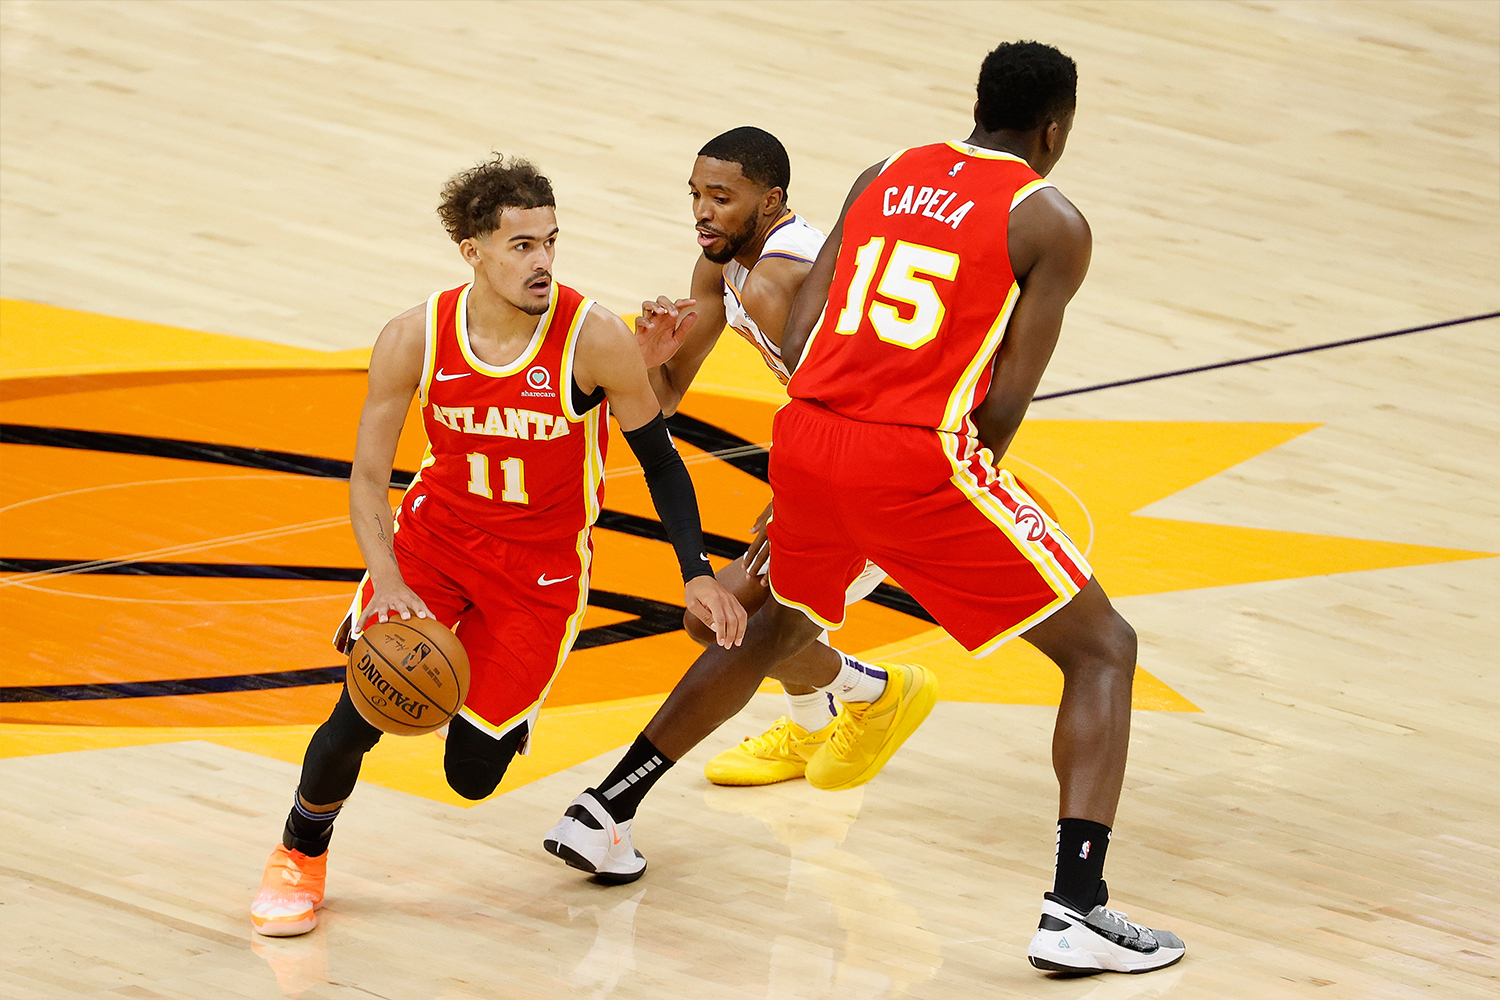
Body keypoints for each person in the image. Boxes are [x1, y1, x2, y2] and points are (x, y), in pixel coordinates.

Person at [546, 42, 1186, 976]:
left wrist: (825, 477)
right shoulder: (1051, 220)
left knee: (767, 627)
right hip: (915, 460)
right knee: (1103, 649)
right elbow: (1006, 398)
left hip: (809, 438)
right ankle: (1077, 908)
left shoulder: (882, 173)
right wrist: (938, 503)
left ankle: (605, 809)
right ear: (1056, 129)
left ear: (977, 104)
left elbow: (803, 335)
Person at [249, 155, 746, 937]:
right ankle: (297, 856)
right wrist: (385, 582)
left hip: (540, 572)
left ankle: (482, 693)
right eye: (521, 246)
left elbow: (661, 461)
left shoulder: (597, 337)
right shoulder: (415, 336)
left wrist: (696, 572)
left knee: (472, 776)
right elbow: (368, 477)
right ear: (471, 250)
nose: (543, 260)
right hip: (434, 546)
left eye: (551, 241)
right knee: (361, 711)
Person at [631, 126, 897, 788]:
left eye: (721, 197)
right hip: (838, 456)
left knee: (740, 626)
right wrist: (645, 362)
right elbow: (662, 402)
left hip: (888, 466)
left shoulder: (780, 280)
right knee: (720, 616)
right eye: (696, 194)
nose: (701, 211)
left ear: (771, 199)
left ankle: (876, 696)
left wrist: (799, 489)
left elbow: (858, 398)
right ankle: (818, 729)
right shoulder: (719, 268)